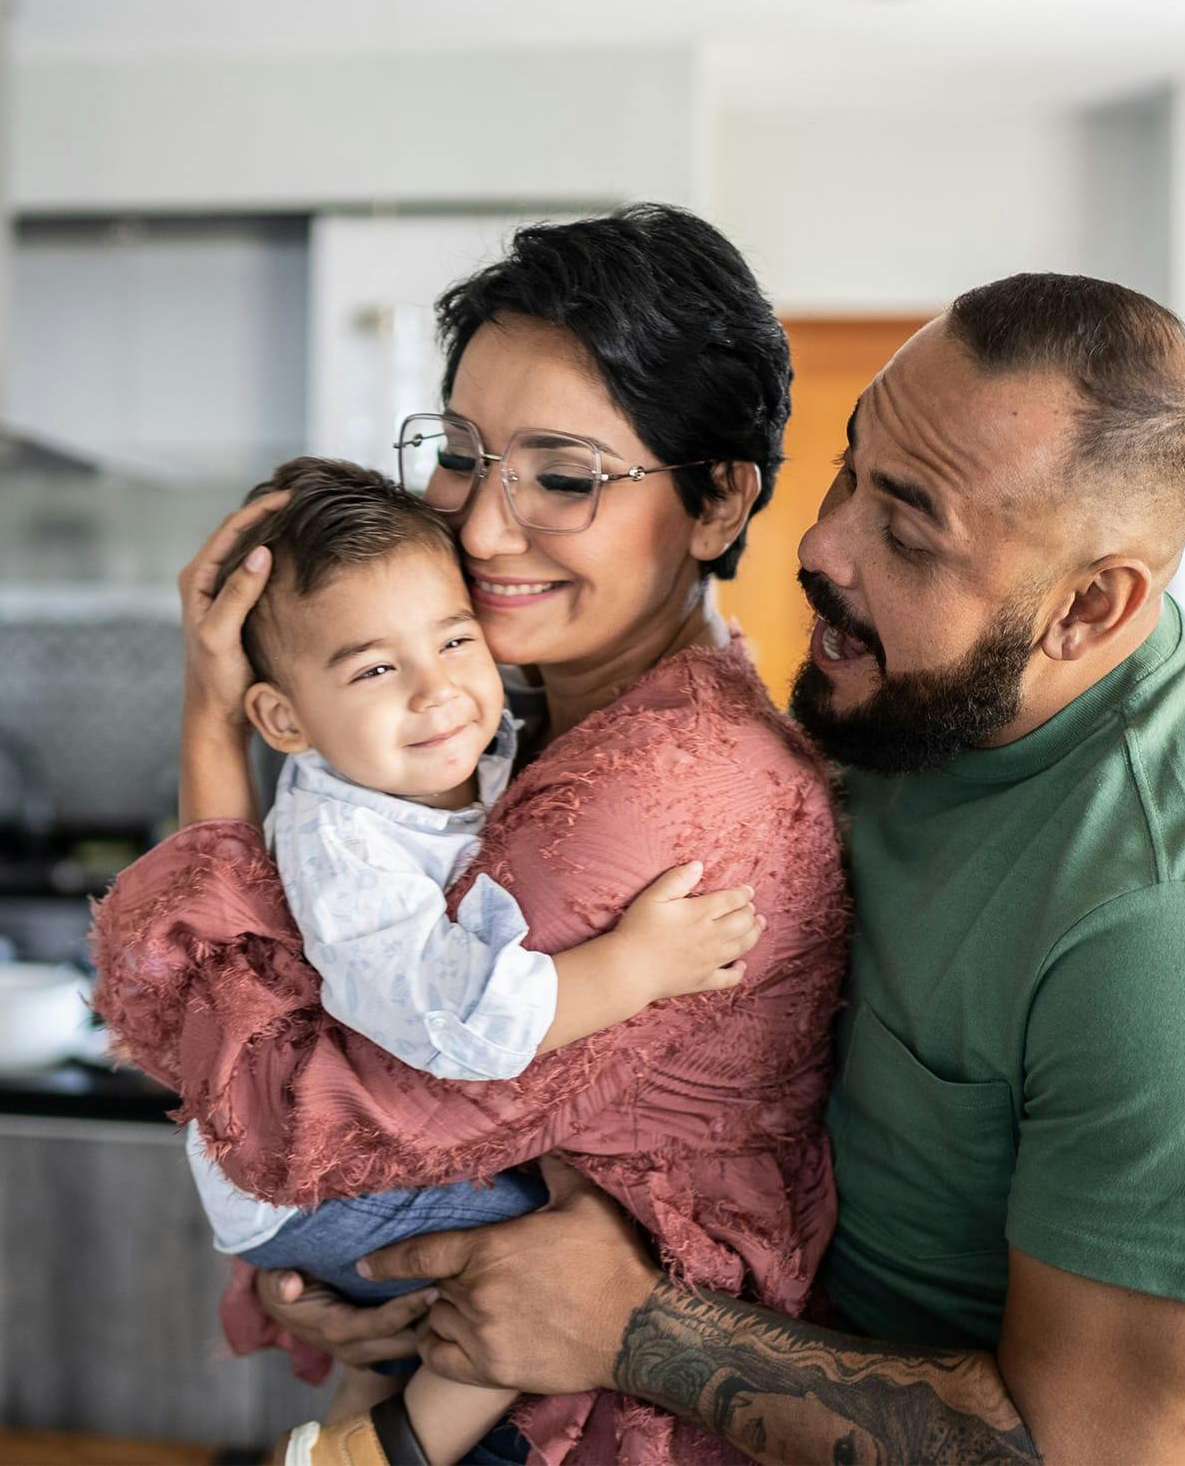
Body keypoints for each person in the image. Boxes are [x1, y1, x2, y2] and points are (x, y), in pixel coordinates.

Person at [252, 274, 1185, 1466]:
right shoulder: (910, 703)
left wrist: (630, 1328)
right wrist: (394, 1269)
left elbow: (1093, 1453)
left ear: (1089, 607)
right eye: (848, 469)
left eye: (906, 526)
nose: (820, 543)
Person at [90, 204, 848, 1466]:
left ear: (717, 501)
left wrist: (213, 730)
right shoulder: (517, 725)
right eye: (462, 454)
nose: (482, 529)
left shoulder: (643, 800)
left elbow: (285, 1125)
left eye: (562, 475)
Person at [126, 457, 765, 1464]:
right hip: (311, 1184)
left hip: (323, 1169)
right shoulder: (347, 851)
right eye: (376, 669)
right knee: (545, 1262)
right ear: (286, 723)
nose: (439, 693)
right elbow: (462, 1022)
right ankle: (378, 1450)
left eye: (456, 638)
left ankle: (364, 1410)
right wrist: (640, 966)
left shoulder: (457, 746)